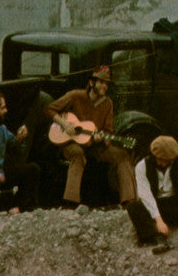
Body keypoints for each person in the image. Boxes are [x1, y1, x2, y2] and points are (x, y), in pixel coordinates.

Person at [45, 66, 137, 208]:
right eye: (101, 82)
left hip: (94, 145)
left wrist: (104, 139)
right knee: (77, 153)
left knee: (122, 156)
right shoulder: (75, 96)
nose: (104, 86)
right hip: (70, 142)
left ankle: (129, 202)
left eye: (107, 84)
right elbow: (49, 109)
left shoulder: (107, 103)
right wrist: (64, 123)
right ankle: (70, 203)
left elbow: (108, 131)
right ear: (92, 82)